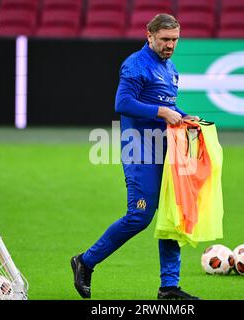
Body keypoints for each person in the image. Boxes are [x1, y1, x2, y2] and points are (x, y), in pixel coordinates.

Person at [71, 13, 200, 300]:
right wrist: (161, 113)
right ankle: (85, 261)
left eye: (175, 39)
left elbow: (167, 103)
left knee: (170, 216)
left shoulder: (171, 69)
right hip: (140, 149)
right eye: (165, 39)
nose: (170, 45)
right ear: (150, 36)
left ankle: (169, 287)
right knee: (140, 215)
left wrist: (182, 114)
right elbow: (123, 102)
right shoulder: (135, 64)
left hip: (166, 149)